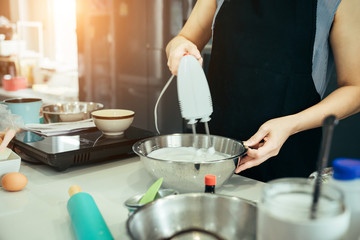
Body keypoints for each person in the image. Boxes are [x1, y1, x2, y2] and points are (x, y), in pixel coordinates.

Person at [166, 0, 360, 182]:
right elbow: (185, 38)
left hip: (288, 158)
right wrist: (178, 48)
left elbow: (355, 88)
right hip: (210, 151)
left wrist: (291, 124)